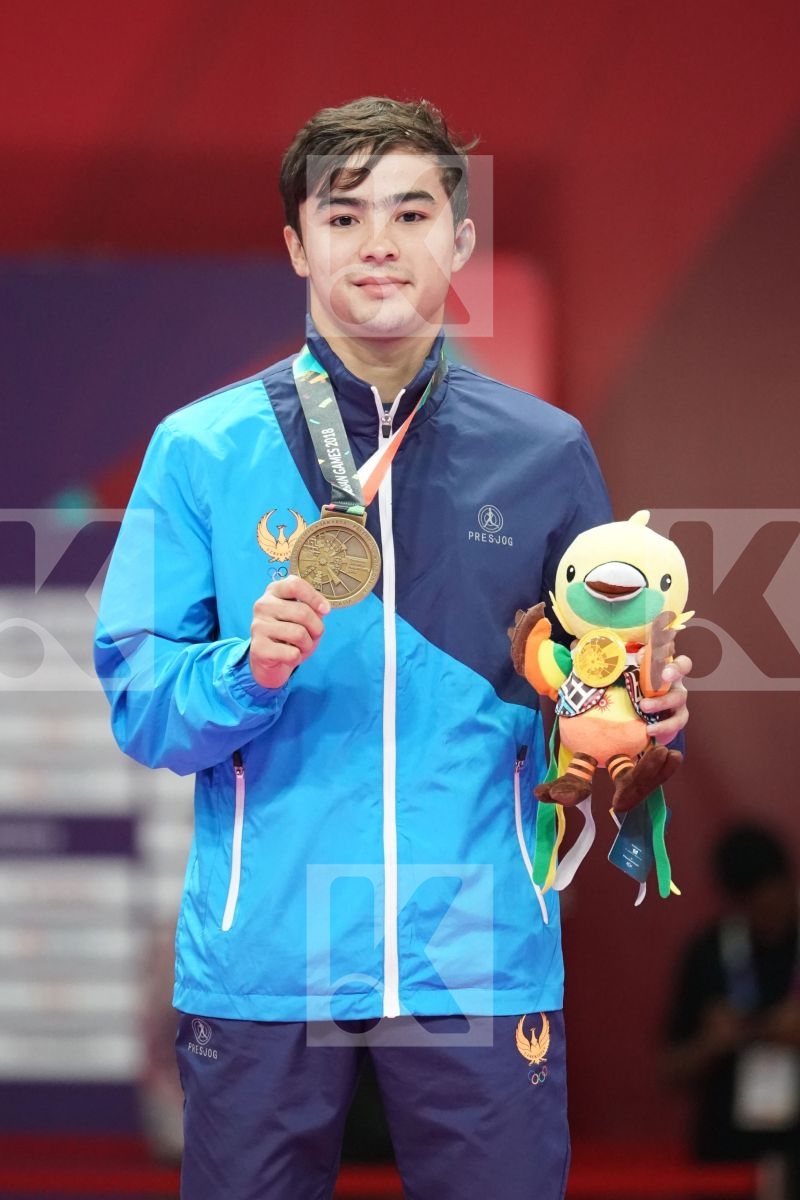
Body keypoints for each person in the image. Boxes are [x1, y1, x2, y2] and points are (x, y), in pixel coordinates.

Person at [94, 97, 690, 1200]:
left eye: (412, 212)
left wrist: (636, 721)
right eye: (344, 214)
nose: (378, 241)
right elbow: (142, 701)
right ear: (295, 244)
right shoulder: (202, 450)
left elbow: (588, 695)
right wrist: (246, 669)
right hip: (265, 958)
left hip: (473, 952)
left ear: (458, 241)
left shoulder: (545, 453)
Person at [663, 823, 800, 1197]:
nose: (767, 909)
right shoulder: (708, 953)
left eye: (775, 894)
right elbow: (671, 1068)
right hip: (726, 1153)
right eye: (753, 902)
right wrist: (709, 1044)